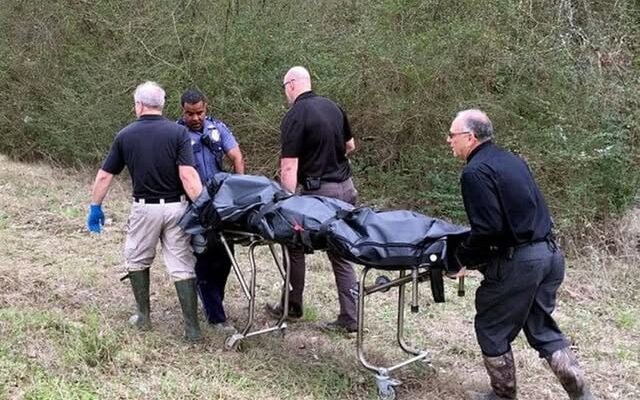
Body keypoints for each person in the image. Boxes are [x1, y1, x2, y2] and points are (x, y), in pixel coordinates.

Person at [447, 109, 593, 399]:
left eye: (452, 135)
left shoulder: (475, 172)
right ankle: (581, 393)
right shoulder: (512, 160)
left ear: (470, 137)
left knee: (491, 326)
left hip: (521, 262)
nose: (448, 140)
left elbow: (488, 229)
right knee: (541, 326)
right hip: (550, 255)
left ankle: (503, 395)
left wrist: (460, 259)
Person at [87, 81, 204, 342]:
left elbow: (105, 176)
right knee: (182, 265)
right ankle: (192, 329)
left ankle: (143, 316)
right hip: (176, 208)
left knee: (137, 259)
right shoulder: (179, 133)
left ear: (139, 105)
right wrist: (202, 207)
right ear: (162, 105)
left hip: (144, 208)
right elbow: (188, 175)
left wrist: (95, 206)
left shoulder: (125, 135)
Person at [265, 66, 359, 333]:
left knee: (293, 244)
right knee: (340, 252)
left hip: (319, 196)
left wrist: (285, 203)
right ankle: (350, 317)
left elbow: (289, 167)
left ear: (292, 84)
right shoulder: (334, 107)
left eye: (285, 87)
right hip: (346, 189)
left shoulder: (296, 115)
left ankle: (292, 306)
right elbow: (350, 146)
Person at [178, 88, 245, 333]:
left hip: (222, 204)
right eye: (190, 113)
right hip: (195, 206)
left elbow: (236, 156)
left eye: (200, 112)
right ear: (182, 111)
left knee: (226, 257)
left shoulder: (217, 129)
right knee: (204, 256)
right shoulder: (177, 134)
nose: (195, 118)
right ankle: (216, 316)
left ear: (206, 108)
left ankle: (213, 300)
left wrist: (240, 188)